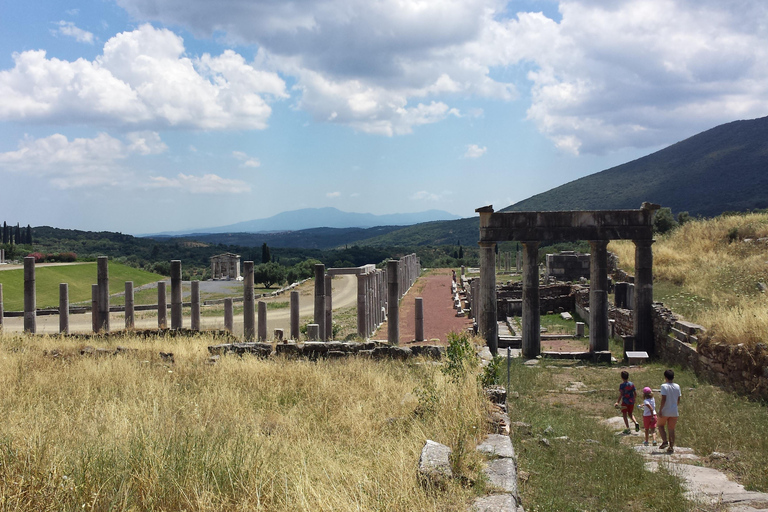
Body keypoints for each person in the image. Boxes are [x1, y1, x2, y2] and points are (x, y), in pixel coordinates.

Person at [658, 369, 681, 453]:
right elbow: (678, 399)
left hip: (665, 410)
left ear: (665, 377)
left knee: (660, 425)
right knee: (671, 429)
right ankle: (671, 446)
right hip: (674, 410)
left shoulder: (664, 386)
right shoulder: (677, 386)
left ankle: (665, 441)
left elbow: (664, 399)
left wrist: (660, 410)